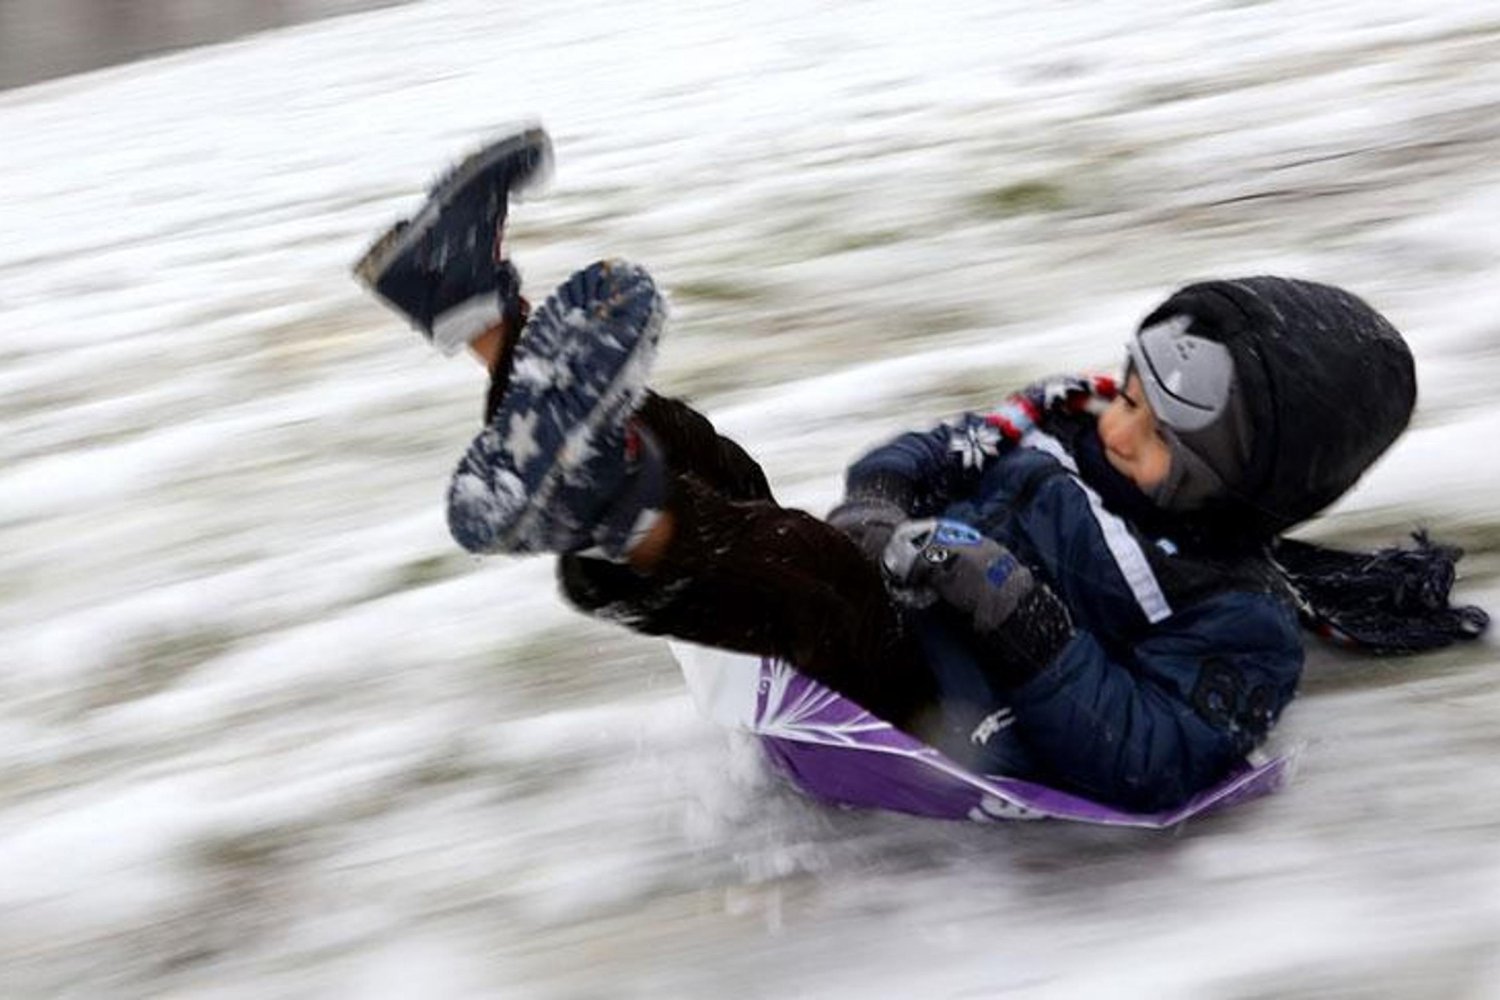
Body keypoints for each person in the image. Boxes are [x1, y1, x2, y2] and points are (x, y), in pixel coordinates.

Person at [357, 129, 1481, 814]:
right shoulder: (1077, 412)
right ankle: (482, 312)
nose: (1117, 414)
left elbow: (1153, 759)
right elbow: (933, 447)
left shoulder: (1239, 623)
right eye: (1134, 380)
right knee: (732, 478)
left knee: (809, 580)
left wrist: (1019, 615)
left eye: (1156, 426)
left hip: (953, 713)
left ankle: (608, 505)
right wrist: (885, 498)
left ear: (1242, 480)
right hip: (893, 581)